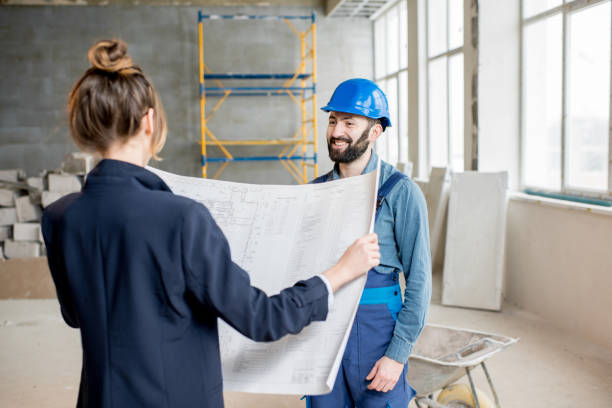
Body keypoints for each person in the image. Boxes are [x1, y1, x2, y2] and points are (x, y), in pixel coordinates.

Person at [42, 40, 380, 408]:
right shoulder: (182, 218)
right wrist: (339, 274)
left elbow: (75, 315)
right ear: (148, 121)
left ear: (84, 127)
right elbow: (260, 318)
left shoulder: (60, 217)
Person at [306, 78, 432, 408]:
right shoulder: (314, 192)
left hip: (378, 331)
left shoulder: (401, 192)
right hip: (326, 329)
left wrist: (397, 356)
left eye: (349, 122)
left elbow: (419, 282)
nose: (336, 131)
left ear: (374, 132)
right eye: (333, 120)